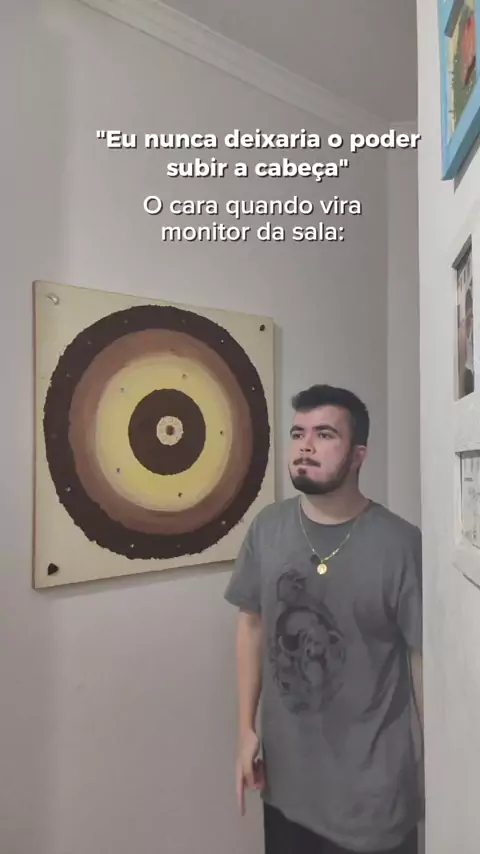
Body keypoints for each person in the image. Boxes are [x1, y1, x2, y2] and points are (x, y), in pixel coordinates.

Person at [224, 384, 423, 854]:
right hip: (286, 790)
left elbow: (422, 660)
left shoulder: (400, 544)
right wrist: (245, 728)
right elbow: (252, 623)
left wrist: (441, 762)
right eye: (298, 433)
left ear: (358, 456)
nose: (305, 446)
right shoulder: (268, 527)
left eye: (325, 434)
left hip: (372, 804)